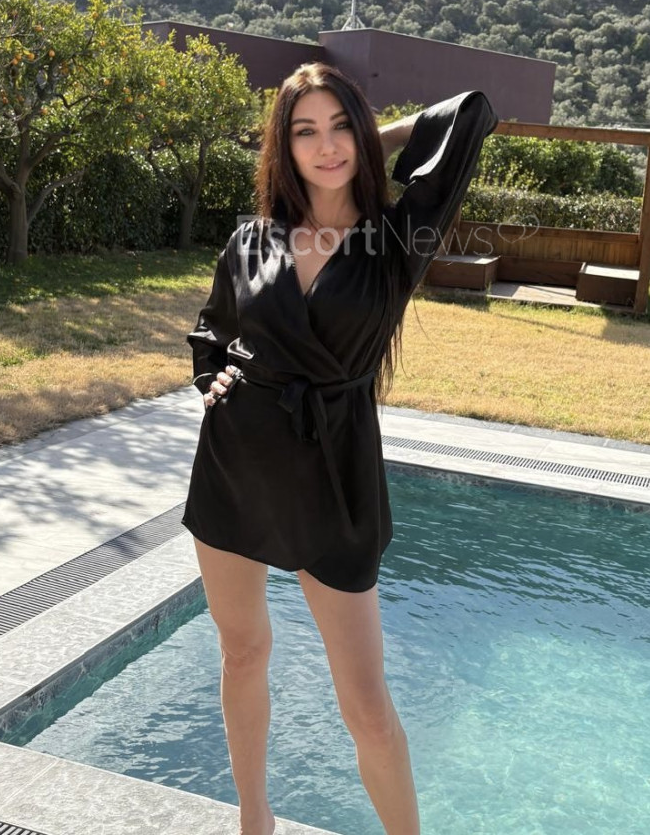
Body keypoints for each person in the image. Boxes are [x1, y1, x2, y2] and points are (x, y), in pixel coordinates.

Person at [183, 62, 499, 835]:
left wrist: (365, 136)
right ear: (282, 147)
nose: (325, 148)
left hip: (334, 477)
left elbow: (469, 113)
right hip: (235, 465)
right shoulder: (251, 241)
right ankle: (254, 820)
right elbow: (213, 328)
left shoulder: (398, 237)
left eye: (338, 128)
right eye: (304, 133)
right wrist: (212, 379)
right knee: (242, 651)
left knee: (365, 705)